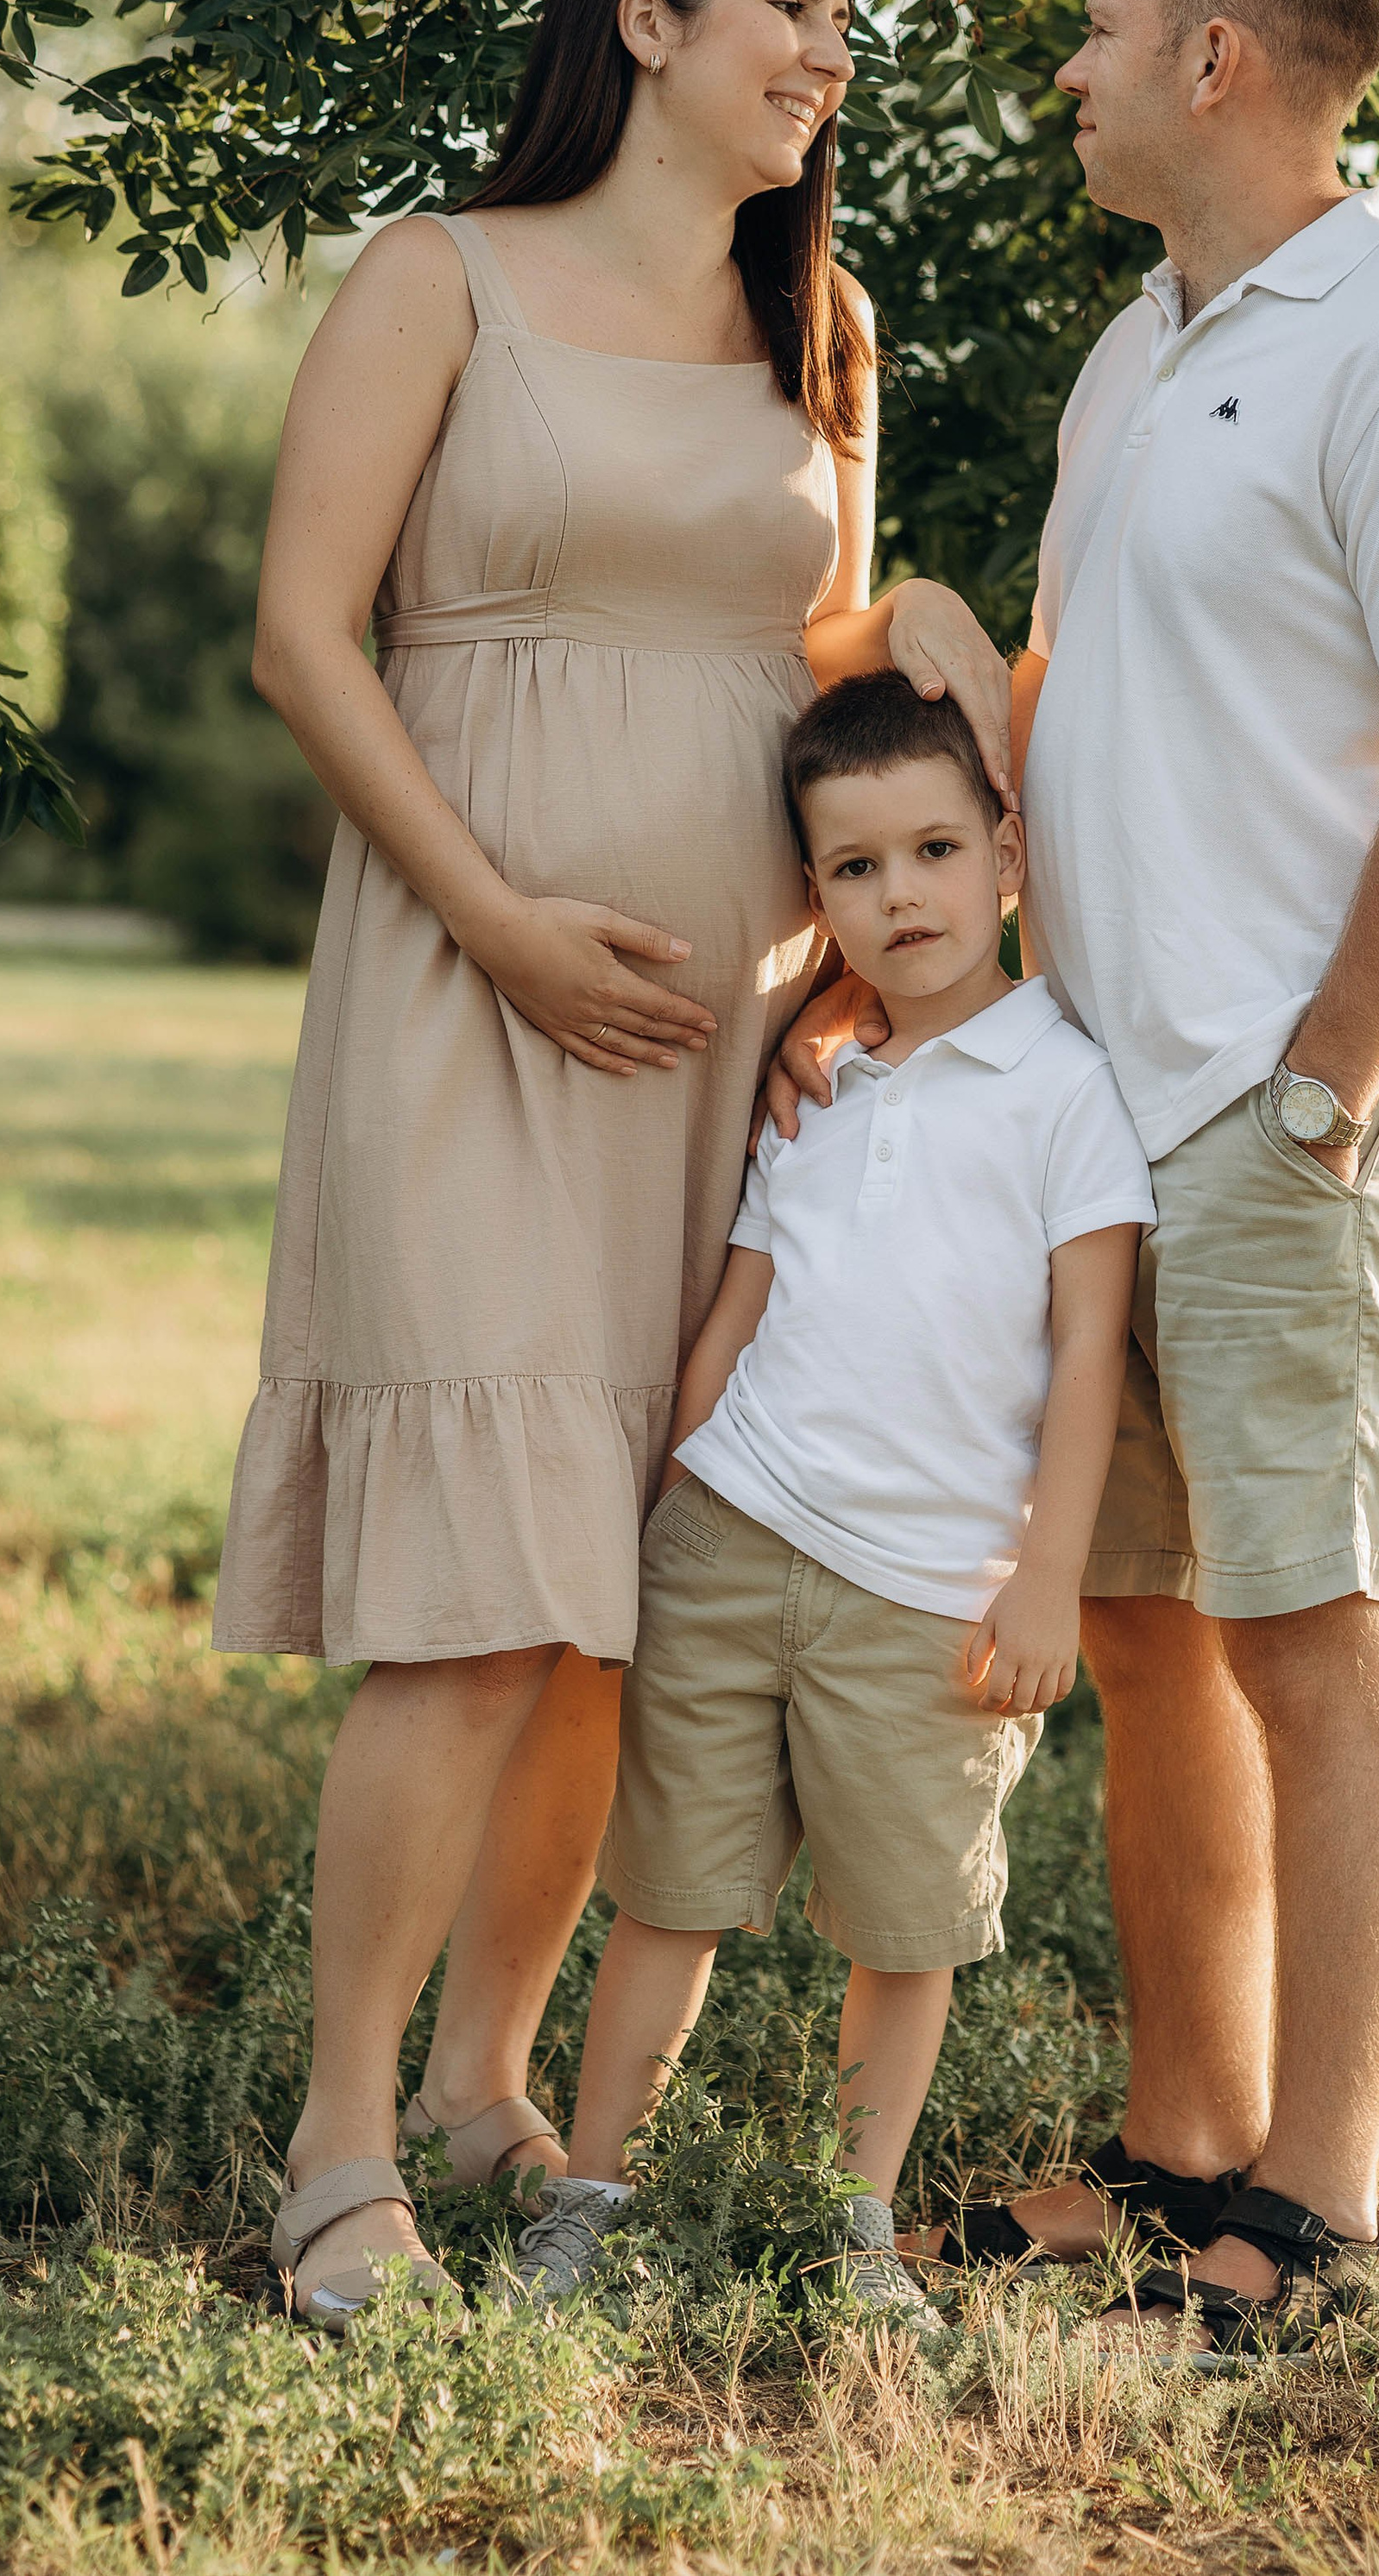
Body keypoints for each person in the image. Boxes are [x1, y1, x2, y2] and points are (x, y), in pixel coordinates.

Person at [211, 0, 1015, 2334]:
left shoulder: (829, 324)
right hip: (470, 996)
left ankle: (489, 2082)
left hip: (720, 1043)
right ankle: (340, 2146)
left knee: (612, 1607)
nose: (824, 55)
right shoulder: (436, 277)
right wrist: (502, 919)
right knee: (469, 1603)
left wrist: (863, 929)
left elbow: (831, 672)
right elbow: (300, 636)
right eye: (788, 6)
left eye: (842, 28)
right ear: (645, 23)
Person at [775, 0, 1379, 2360]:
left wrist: (1332, 1076)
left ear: (1217, 58)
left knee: (1324, 1627)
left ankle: (1316, 2221)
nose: (1072, 68)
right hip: (1120, 1105)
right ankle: (1185, 2137)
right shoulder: (1147, 346)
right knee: (1147, 1627)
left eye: (1103, 28)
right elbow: (1083, 716)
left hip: (1299, 1106)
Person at [501, 669, 1154, 2319]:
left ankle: (854, 2226)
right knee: (670, 1891)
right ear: (818, 893)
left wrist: (1046, 1578)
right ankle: (590, 2199)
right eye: (853, 867)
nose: (899, 893)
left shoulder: (1068, 1091)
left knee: (904, 1922)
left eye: (935, 848)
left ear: (1008, 853)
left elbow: (1090, 1356)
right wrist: (652, 1506)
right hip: (728, 1533)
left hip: (931, 1591)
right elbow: (734, 1313)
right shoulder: (816, 1080)